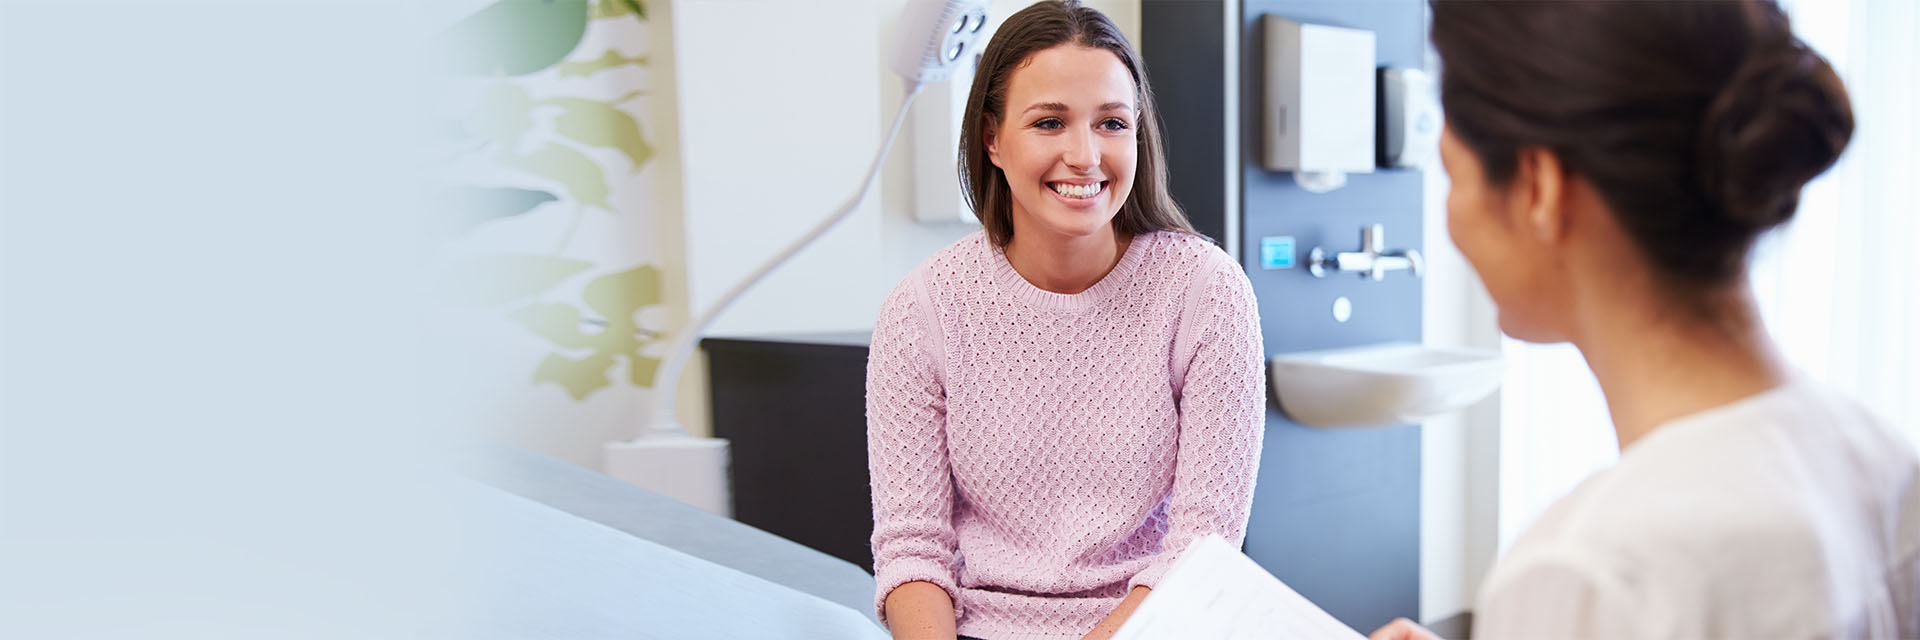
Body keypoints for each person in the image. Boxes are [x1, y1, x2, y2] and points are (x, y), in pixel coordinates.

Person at [1371, 1, 1919, 638]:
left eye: (1453, 177)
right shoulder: (1879, 459)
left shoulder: (1592, 571)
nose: (1452, 222)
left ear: (1540, 188)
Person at [865, 2, 1267, 639]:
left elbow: (1201, 551)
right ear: (992, 138)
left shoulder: (1206, 292)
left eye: (1111, 123)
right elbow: (912, 551)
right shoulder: (921, 311)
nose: (1085, 155)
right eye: (1050, 122)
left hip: (1154, 627)